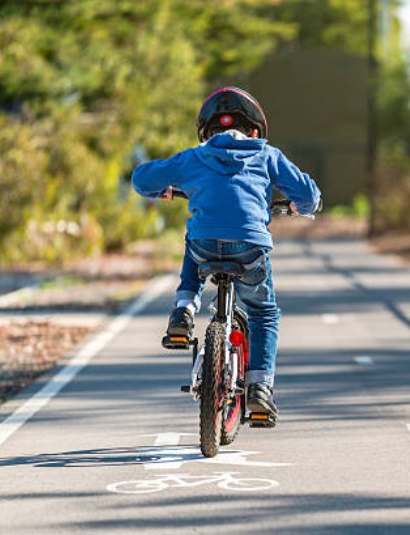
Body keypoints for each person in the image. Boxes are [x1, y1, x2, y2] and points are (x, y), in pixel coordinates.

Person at [131, 86, 321, 422]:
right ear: (254, 131)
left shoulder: (195, 156)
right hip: (250, 248)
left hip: (204, 246)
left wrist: (163, 189)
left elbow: (141, 179)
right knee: (264, 313)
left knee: (196, 238)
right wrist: (300, 205)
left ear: (208, 133)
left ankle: (184, 309)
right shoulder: (267, 154)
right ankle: (260, 388)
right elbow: (307, 193)